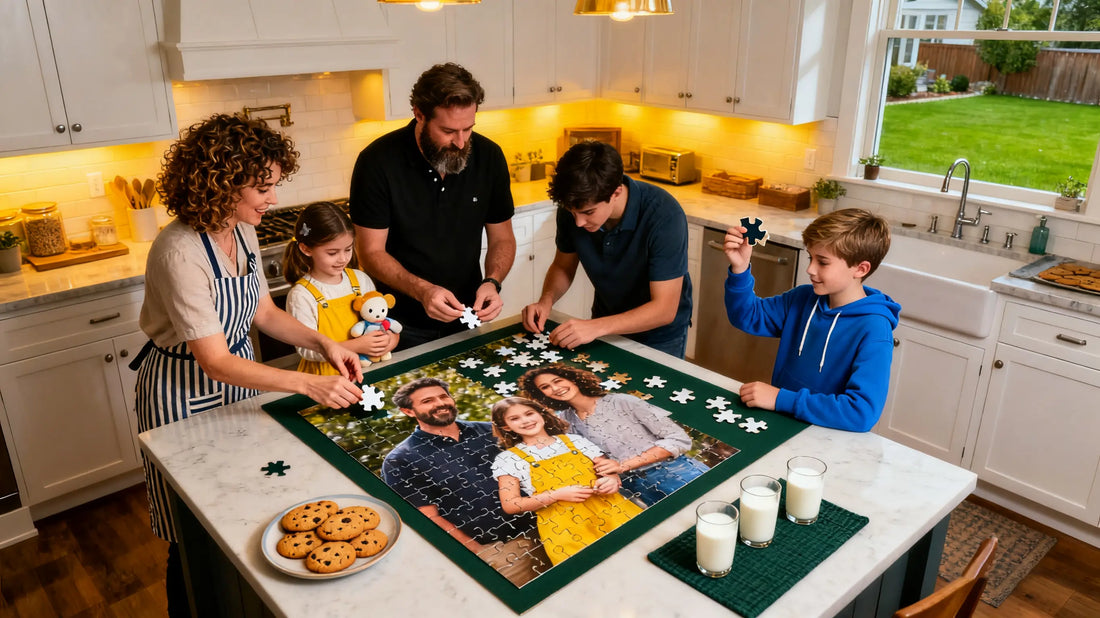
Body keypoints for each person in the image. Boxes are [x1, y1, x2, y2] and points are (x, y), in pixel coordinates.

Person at [135, 114, 364, 616]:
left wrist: (326, 345)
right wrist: (308, 384)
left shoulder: (240, 232)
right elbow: (213, 360)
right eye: (263, 187)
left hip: (241, 381)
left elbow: (262, 312)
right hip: (182, 393)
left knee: (244, 505)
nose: (274, 199)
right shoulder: (179, 251)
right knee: (191, 529)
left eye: (274, 185)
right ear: (221, 183)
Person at [350, 63, 516, 350]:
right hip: (395, 324)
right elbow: (370, 252)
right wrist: (423, 290)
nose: (461, 142)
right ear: (419, 114)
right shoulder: (377, 162)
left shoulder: (489, 156)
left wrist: (492, 282)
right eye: (449, 130)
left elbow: (502, 237)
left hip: (466, 317)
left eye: (469, 129)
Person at [722, 208, 900, 432]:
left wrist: (781, 399)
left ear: (860, 268)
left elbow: (861, 413)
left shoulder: (874, 329)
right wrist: (740, 269)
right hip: (780, 424)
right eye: (810, 257)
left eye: (823, 262)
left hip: (826, 440)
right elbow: (747, 316)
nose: (810, 269)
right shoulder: (803, 298)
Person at [521, 141, 692, 358]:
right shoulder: (574, 207)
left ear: (616, 192)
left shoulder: (664, 215)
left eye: (588, 213)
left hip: (659, 335)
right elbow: (563, 266)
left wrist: (595, 327)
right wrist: (546, 301)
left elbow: (664, 309)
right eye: (572, 212)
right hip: (604, 323)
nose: (579, 223)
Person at [381, 377, 550, 586]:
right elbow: (428, 518)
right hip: (504, 552)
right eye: (427, 401)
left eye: (443, 396)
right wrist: (480, 555)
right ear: (409, 411)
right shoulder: (401, 459)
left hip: (552, 527)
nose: (440, 403)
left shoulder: (493, 430)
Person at [519, 364, 708, 506]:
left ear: (573, 379)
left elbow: (679, 439)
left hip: (676, 472)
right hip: (636, 487)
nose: (555, 388)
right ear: (542, 395)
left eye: (557, 381)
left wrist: (622, 466)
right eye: (545, 387)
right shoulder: (566, 422)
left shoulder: (622, 401)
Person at [489, 397, 642, 566]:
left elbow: (609, 471)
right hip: (565, 530)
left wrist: (612, 480)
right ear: (505, 426)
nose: (525, 421)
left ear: (541, 413)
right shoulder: (508, 459)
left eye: (529, 413)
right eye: (514, 418)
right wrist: (556, 495)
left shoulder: (575, 441)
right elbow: (511, 504)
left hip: (615, 513)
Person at [283, 202, 399, 374]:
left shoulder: (360, 280)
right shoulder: (301, 295)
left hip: (365, 370)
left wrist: (391, 339)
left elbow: (379, 321)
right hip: (326, 379)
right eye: (332, 253)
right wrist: (356, 345)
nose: (342, 259)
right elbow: (307, 350)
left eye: (348, 249)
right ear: (306, 249)